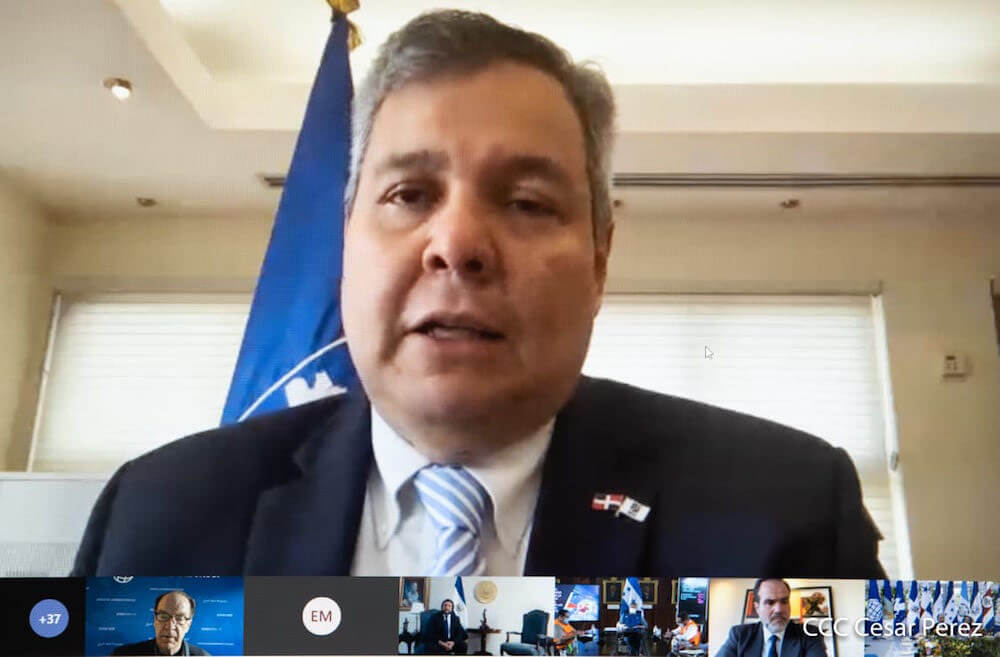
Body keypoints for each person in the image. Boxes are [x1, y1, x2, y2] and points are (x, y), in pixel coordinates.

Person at [71, 9, 884, 578]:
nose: (457, 244)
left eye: (527, 203)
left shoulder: (785, 516)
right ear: (345, 243)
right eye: (409, 195)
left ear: (599, 259)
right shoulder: (159, 519)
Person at [715, 579, 826, 657]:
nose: (779, 609)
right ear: (757, 608)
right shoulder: (740, 635)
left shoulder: (809, 634)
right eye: (770, 602)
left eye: (784, 601)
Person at [111, 591, 209, 656]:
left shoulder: (203, 656)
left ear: (188, 625)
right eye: (163, 616)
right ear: (155, 620)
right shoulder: (123, 654)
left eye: (179, 618)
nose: (170, 626)